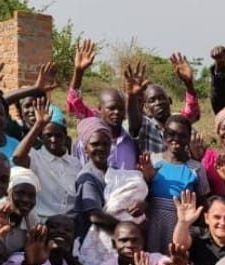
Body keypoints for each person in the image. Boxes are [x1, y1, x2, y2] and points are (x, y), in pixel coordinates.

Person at [66, 39, 139, 170]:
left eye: (120, 108)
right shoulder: (90, 135)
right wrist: (79, 71)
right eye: (111, 108)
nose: (116, 112)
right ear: (99, 109)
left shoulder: (131, 141)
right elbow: (73, 102)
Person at [145, 115, 211, 253]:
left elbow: (203, 202)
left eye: (182, 136)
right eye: (171, 134)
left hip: (180, 228)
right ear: (164, 136)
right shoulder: (152, 161)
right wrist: (145, 178)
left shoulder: (196, 168)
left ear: (188, 139)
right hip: (152, 227)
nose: (176, 139)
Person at [12, 97, 83, 219]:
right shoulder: (35, 157)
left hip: (69, 226)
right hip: (43, 224)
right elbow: (17, 158)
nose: (53, 140)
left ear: (65, 135)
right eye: (48, 135)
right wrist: (38, 125)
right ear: (41, 137)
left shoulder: (75, 163)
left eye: (58, 135)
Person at [135, 52, 202, 154]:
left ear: (169, 100)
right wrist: (133, 96)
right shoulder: (146, 126)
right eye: (152, 100)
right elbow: (133, 120)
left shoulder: (180, 122)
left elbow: (193, 113)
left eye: (162, 98)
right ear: (146, 107)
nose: (158, 103)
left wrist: (189, 84)